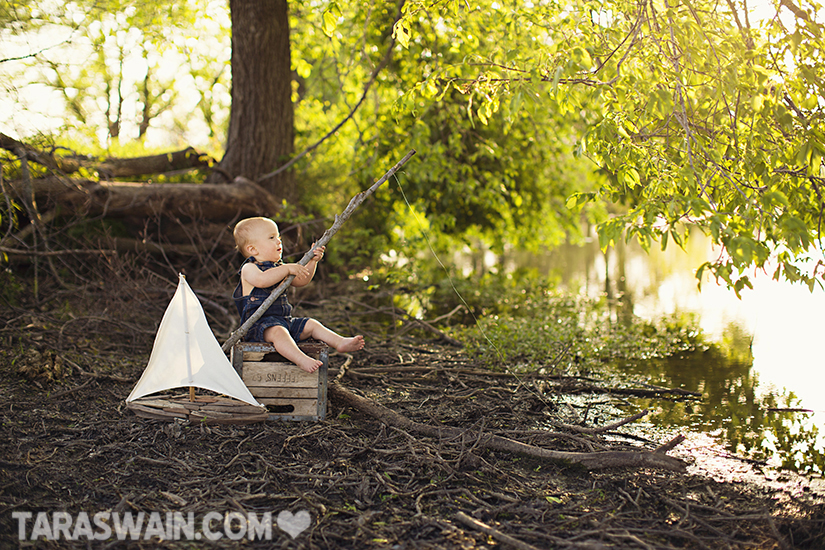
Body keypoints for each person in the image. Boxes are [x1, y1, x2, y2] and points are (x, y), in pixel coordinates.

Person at [232, 217, 364, 373]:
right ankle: (300, 359)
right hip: (258, 328)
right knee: (278, 332)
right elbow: (262, 281)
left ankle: (340, 342)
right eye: (271, 238)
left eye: (278, 237)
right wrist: (287, 269)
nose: (278, 241)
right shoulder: (250, 268)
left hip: (284, 322)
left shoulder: (280, 267)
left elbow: (302, 280)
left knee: (311, 324)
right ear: (253, 249)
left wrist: (313, 261)